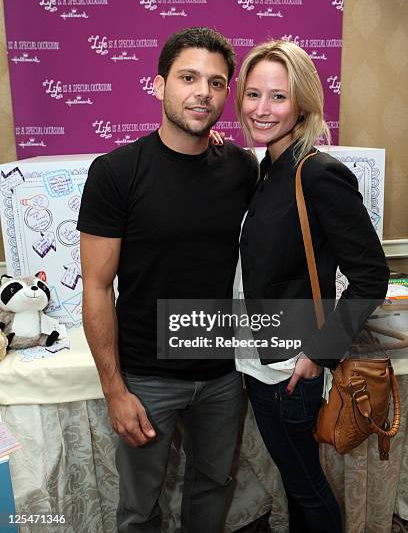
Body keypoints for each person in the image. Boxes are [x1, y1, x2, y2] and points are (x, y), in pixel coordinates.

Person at [77, 27, 258, 533]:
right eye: (188, 77)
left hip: (224, 374)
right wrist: (115, 390)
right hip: (147, 377)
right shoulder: (115, 172)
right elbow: (96, 287)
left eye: (217, 82)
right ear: (159, 86)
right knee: (139, 508)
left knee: (213, 488)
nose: (202, 91)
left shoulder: (242, 168)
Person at [230, 40, 390, 532]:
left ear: (301, 102)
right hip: (258, 359)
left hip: (289, 371)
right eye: (253, 94)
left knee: (306, 487)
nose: (262, 108)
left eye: (278, 97)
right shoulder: (267, 169)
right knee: (295, 484)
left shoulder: (317, 173)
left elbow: (370, 276)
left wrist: (317, 353)